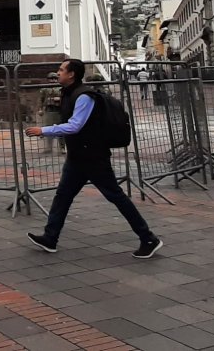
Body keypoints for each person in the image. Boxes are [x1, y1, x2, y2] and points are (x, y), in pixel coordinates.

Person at [23, 59, 162, 258]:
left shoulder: (84, 97)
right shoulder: (70, 93)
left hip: (93, 157)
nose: (58, 73)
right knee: (63, 196)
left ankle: (148, 238)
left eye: (61, 70)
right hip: (78, 157)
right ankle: (50, 237)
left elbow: (75, 125)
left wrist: (43, 130)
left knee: (116, 196)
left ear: (71, 74)